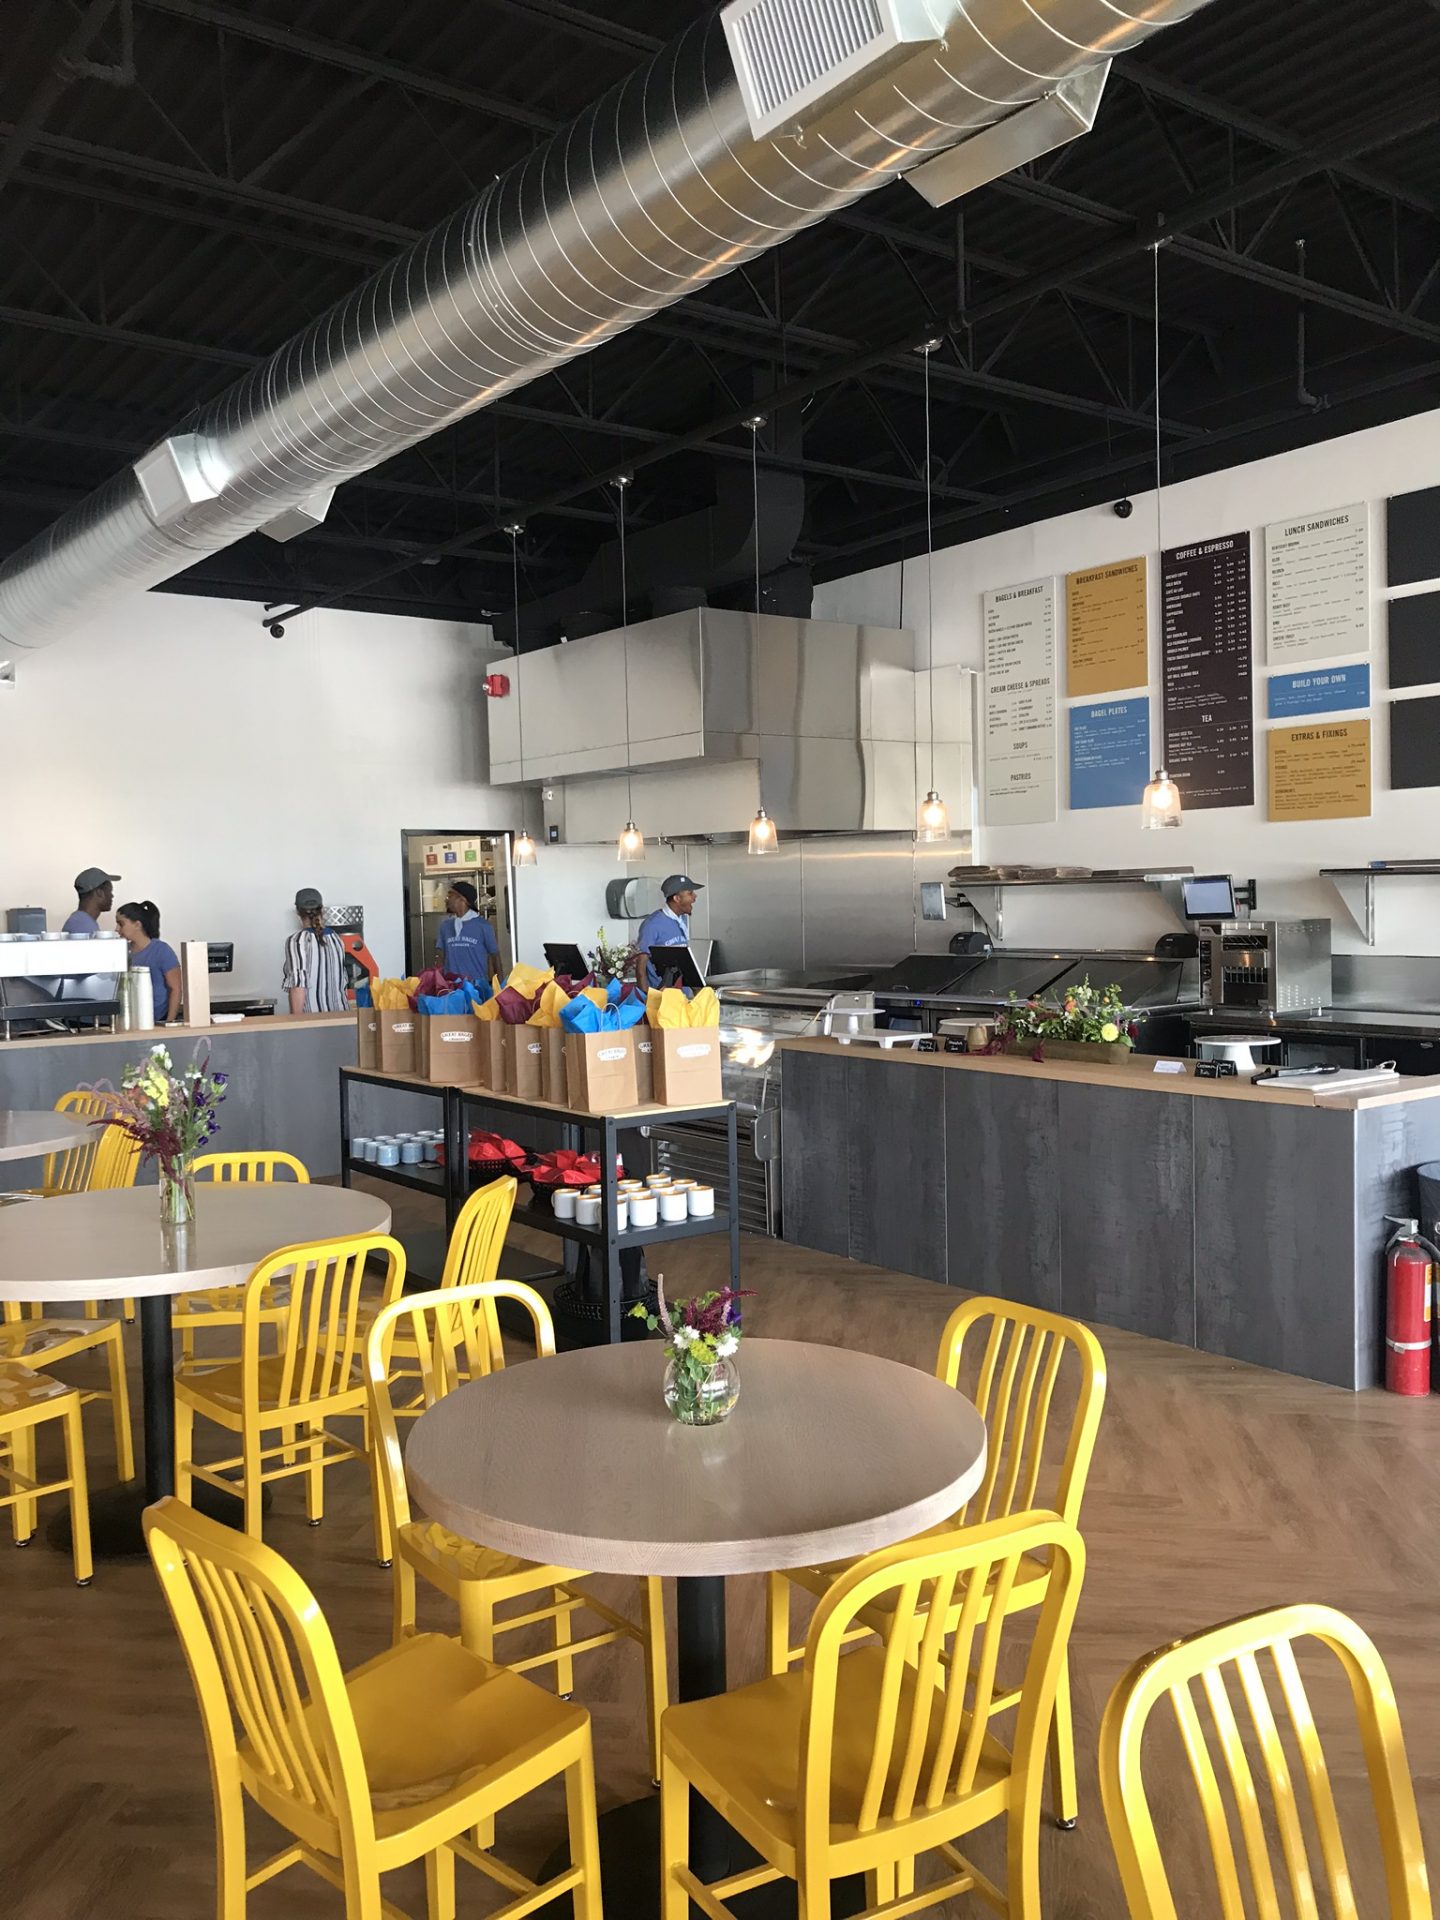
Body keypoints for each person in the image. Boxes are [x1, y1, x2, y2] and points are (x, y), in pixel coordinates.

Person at [115, 901, 182, 1025]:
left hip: (157, 1020)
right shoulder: (121, 951)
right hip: (128, 1021)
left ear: (137, 924)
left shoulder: (162, 950)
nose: (117, 929)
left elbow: (176, 989)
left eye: (121, 924)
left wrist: (169, 1023)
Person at [282, 887, 347, 1015]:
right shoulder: (336, 939)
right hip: (342, 1018)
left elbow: (298, 985)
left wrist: (296, 1023)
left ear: (297, 911)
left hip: (313, 1022)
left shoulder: (297, 941)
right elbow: (343, 982)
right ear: (322, 910)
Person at [635, 873, 703, 988]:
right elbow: (641, 965)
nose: (694, 897)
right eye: (690, 893)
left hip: (683, 995)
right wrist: (646, 996)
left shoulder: (682, 919)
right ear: (677, 898)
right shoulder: (652, 924)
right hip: (662, 998)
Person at [435, 881, 500, 985]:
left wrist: (499, 986)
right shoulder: (445, 926)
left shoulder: (483, 926)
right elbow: (440, 957)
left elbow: (495, 957)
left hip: (477, 987)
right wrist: (438, 983)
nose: (446, 900)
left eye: (450, 896)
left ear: (462, 899)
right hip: (452, 987)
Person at [63, 866, 120, 935]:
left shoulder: (79, 921)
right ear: (99, 893)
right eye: (110, 891)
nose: (112, 896)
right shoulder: (83, 927)